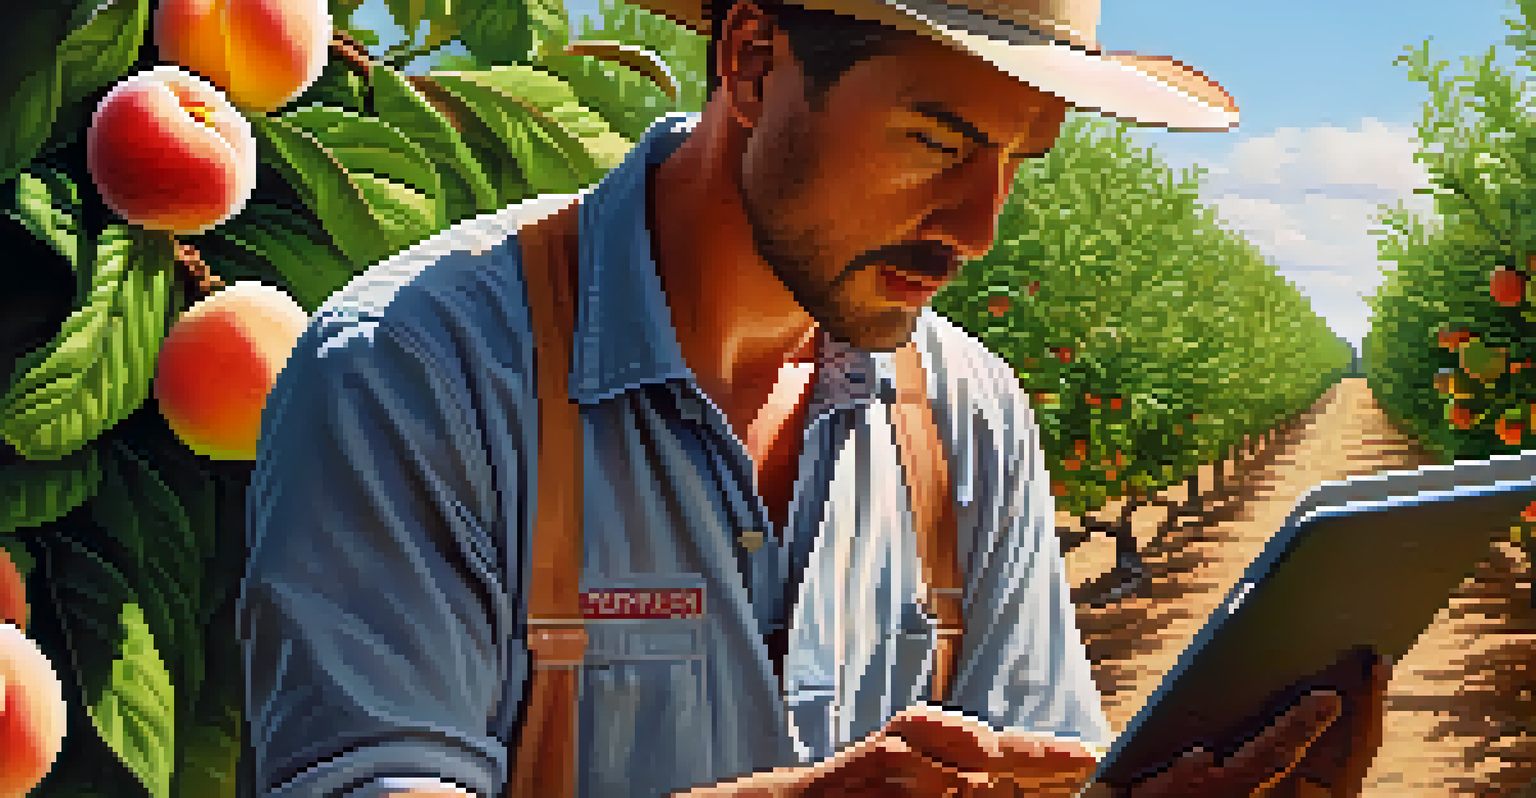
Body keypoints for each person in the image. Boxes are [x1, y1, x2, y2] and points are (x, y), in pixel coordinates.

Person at [238, 0, 1390, 795]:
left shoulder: (969, 419)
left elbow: (1035, 764)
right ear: (750, 61)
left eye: (1015, 163)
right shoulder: (419, 375)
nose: (978, 228)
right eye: (935, 140)